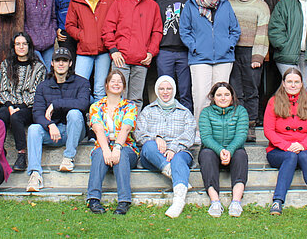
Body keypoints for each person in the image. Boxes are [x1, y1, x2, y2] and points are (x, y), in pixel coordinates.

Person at [264, 68, 307, 216]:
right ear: (283, 83)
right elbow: (268, 131)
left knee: (303, 156)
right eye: (289, 82)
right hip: (278, 150)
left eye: (296, 82)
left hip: (304, 148)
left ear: (301, 84)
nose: (293, 85)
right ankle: (278, 200)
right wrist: (286, 146)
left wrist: (302, 145)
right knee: (291, 156)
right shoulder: (273, 101)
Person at [180, 0, 241, 129]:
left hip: (223, 58)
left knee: (222, 96)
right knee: (201, 96)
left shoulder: (225, 3)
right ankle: (201, 131)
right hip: (199, 58)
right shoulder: (191, 4)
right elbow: (184, 31)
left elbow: (235, 30)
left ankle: (220, 130)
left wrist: (229, 44)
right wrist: (194, 47)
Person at [25, 48, 89, 191]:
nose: (61, 64)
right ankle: (35, 175)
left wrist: (56, 104)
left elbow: (83, 104)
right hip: (53, 132)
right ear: (52, 63)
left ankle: (68, 158)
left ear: (70, 63)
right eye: (57, 60)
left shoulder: (81, 83)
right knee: (33, 129)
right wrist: (49, 125)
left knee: (74, 113)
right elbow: (37, 112)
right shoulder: (43, 86)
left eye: (64, 60)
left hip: (74, 131)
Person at [102, 0, 163, 109]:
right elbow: (108, 29)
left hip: (141, 59)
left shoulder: (152, 6)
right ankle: (117, 130)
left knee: (136, 99)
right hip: (120, 59)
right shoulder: (118, 3)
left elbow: (157, 31)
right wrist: (113, 50)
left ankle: (133, 131)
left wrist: (151, 52)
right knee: (117, 96)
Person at [136, 76, 196, 218]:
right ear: (157, 91)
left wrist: (173, 148)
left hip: (179, 151)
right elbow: (138, 133)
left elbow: (189, 135)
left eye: (168, 88)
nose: (165, 92)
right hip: (154, 155)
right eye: (161, 89)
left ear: (174, 90)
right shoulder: (148, 111)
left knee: (178, 159)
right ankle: (173, 172)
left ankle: (178, 201)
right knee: (148, 146)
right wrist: (156, 138)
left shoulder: (184, 112)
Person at [86, 70, 140, 215]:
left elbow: (126, 128)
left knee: (121, 154)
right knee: (98, 154)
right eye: (113, 81)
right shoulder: (96, 107)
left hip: (126, 147)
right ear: (106, 85)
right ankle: (93, 199)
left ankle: (124, 201)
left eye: (120, 81)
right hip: (104, 144)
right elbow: (98, 129)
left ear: (124, 87)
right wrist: (106, 150)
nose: (116, 84)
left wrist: (116, 148)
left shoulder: (130, 106)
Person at [0, 32, 46, 171]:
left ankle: (21, 155)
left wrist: (21, 106)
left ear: (29, 46)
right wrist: (10, 105)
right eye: (18, 44)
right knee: (2, 115)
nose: (21, 47)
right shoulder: (6, 65)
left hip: (29, 107)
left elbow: (37, 92)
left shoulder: (38, 67)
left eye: (24, 44)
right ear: (13, 46)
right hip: (9, 104)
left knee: (16, 117)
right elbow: (2, 89)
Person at [228, 0, 269, 142]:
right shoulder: (229, 5)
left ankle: (251, 125)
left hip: (252, 51)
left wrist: (257, 57)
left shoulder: (261, 6)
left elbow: (262, 32)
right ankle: (241, 126)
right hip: (233, 52)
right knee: (236, 91)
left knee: (251, 90)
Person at [198, 82, 249, 218]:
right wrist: (221, 150)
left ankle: (236, 202)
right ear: (213, 97)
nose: (223, 98)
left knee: (241, 155)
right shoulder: (206, 112)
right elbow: (206, 137)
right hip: (213, 151)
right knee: (206, 154)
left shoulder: (241, 111)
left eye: (226, 95)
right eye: (219, 95)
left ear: (232, 97)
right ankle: (215, 201)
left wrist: (230, 151)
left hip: (234, 150)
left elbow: (241, 135)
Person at [66, 0, 115, 101]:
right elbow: (69, 25)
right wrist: (82, 36)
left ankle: (97, 120)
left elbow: (115, 22)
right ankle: (82, 119)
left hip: (103, 50)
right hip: (84, 50)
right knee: (79, 87)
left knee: (100, 89)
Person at [157, 0, 192, 110]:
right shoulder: (160, 3)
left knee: (185, 90)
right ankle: (165, 122)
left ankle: (187, 122)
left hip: (185, 51)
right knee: (165, 90)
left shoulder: (191, 2)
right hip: (164, 51)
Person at [24, 0, 58, 71]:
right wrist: (27, 37)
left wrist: (53, 33)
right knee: (41, 71)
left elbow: (53, 17)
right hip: (31, 43)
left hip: (48, 43)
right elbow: (21, 19)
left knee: (49, 73)